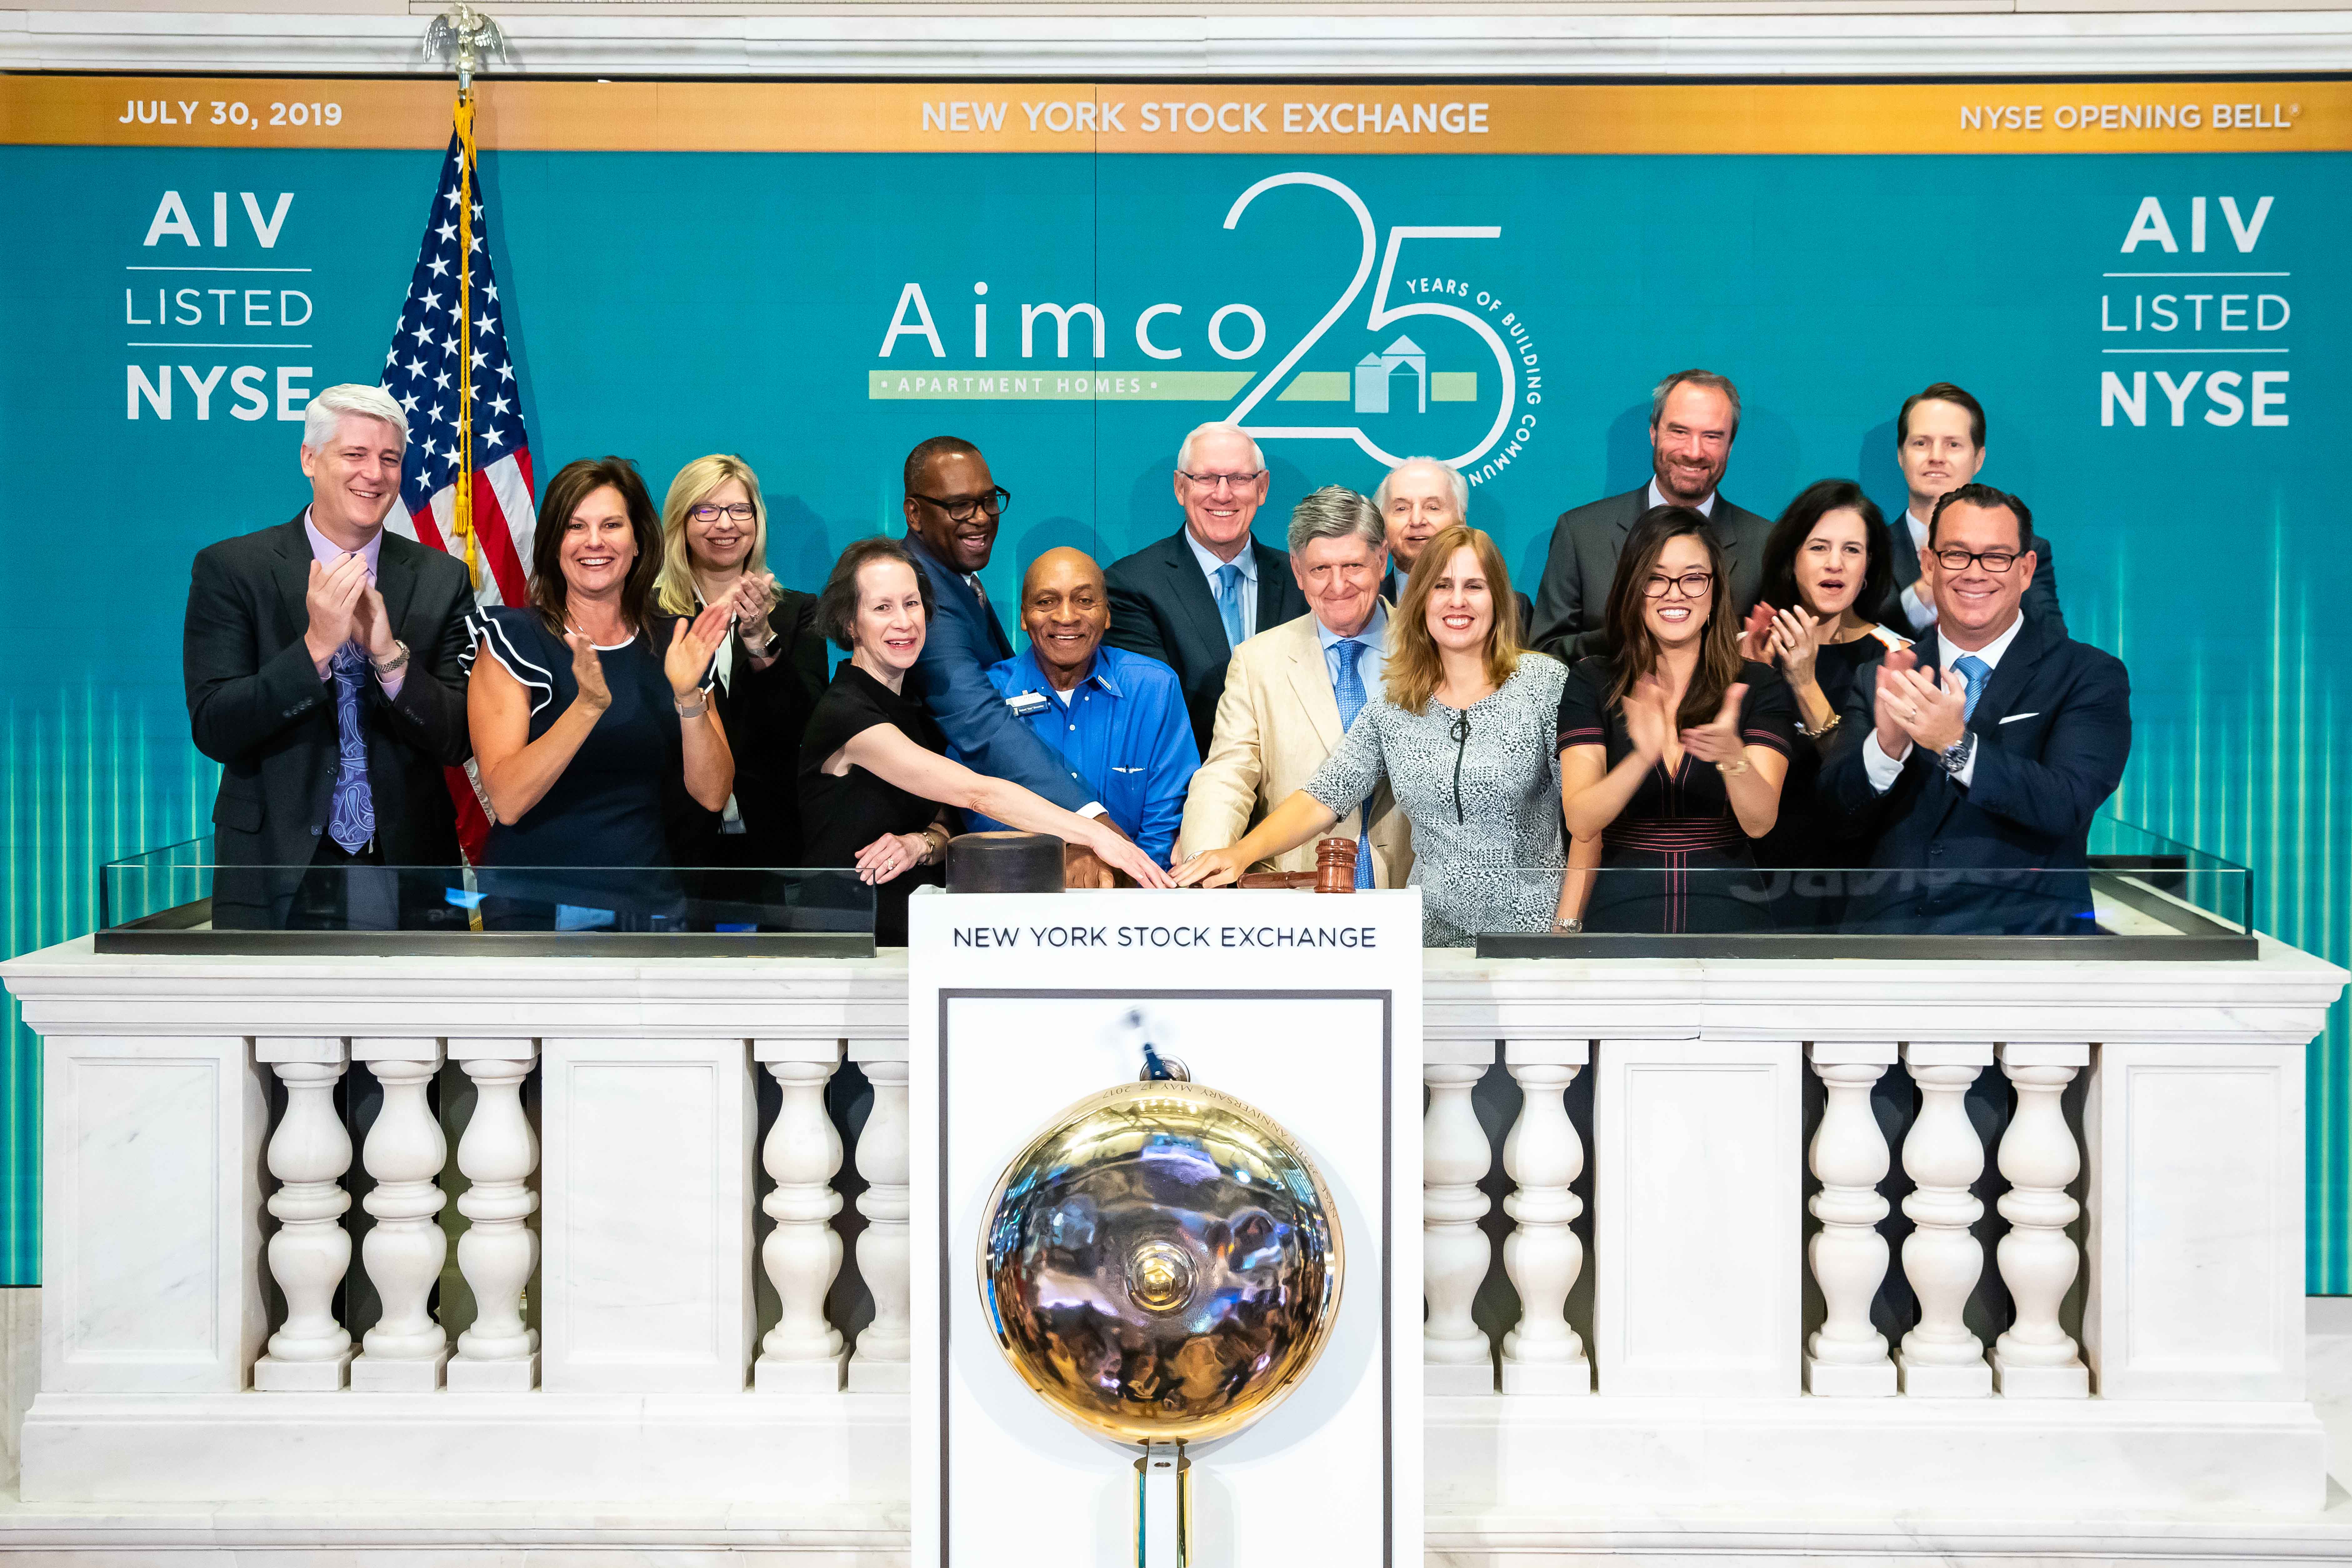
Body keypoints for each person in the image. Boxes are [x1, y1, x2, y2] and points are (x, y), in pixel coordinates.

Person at [1177, 525, 1568, 948]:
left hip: (1534, 936)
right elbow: (1323, 796)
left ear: (1497, 599)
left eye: (1473, 586)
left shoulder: (1543, 684)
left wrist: (1566, 929)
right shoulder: (1396, 701)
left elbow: (1584, 822)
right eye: (1441, 586)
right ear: (1421, 601)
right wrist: (1240, 854)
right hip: (1430, 941)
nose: (1457, 601)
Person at [183, 383, 474, 930]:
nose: (375, 474)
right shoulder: (233, 570)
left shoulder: (440, 578)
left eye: (390, 459)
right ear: (310, 459)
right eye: (355, 454)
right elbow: (216, 727)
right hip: (274, 864)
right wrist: (316, 648)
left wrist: (389, 657)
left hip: (405, 864)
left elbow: (458, 737)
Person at [800, 538, 1172, 944]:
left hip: (910, 932)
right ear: (849, 622)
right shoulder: (848, 713)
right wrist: (1097, 833)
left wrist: (920, 843)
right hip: (843, 937)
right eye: (882, 607)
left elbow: (946, 824)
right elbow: (977, 795)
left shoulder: (915, 706)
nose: (904, 621)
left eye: (911, 603)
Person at [1822, 483, 2130, 934]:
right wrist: (1886, 748)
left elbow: (2067, 802)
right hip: (1889, 951)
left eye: (1996, 557)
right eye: (1956, 554)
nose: (1974, 573)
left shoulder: (2086, 674)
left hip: (2027, 944)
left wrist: (1955, 745)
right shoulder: (1880, 676)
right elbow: (1835, 818)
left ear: (2026, 570)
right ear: (1929, 563)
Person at [465, 457, 735, 929]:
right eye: (576, 526)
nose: (595, 541)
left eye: (612, 524)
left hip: (646, 902)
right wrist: (587, 707)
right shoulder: (513, 640)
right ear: (553, 545)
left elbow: (712, 795)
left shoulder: (675, 643)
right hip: (536, 907)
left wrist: (689, 696)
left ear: (637, 543)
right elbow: (507, 799)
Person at [895, 435, 1123, 887]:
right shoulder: (918, 590)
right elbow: (979, 723)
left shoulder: (955, 579)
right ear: (914, 514)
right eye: (959, 506)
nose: (980, 517)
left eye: (987, 500)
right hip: (914, 854)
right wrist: (1089, 821)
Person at [1557, 508, 1794, 934]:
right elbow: (1581, 820)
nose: (1674, 593)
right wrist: (1640, 758)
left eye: (1692, 578)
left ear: (1714, 591)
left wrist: (1731, 756)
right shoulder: (1591, 679)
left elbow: (1760, 823)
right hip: (1621, 914)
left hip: (1730, 914)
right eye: (1656, 577)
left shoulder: (1756, 684)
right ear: (1634, 587)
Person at [1178, 486, 1415, 889]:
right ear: (1298, 571)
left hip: (1416, 897)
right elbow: (1227, 775)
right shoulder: (1257, 662)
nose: (1338, 586)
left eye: (1353, 566)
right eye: (1320, 569)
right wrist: (1204, 861)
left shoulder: (1429, 653)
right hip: (1297, 899)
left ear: (1381, 561)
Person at [966, 547, 1199, 868]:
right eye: (1046, 601)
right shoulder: (987, 695)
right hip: (1018, 897)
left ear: (1107, 614)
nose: (1066, 617)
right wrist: (1063, 858)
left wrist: (1120, 879)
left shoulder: (1154, 688)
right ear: (1023, 616)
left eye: (1084, 601)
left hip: (1136, 900)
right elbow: (978, 814)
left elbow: (1167, 822)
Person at [648, 454, 828, 870]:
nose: (725, 524)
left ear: (757, 520)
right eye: (706, 510)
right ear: (681, 521)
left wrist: (760, 640)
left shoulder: (796, 611)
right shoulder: (648, 616)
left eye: (739, 510)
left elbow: (804, 726)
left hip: (775, 845)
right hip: (673, 847)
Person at [1529, 369, 1772, 662]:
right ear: (1654, 433)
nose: (1694, 452)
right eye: (1680, 432)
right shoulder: (1582, 533)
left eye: (1712, 436)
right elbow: (1542, 659)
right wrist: (1628, 632)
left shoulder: (1766, 544)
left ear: (1730, 446)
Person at [1743, 480, 1911, 893]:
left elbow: (1859, 789)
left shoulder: (1897, 656)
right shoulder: (1745, 650)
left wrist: (1803, 682)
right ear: (1792, 559)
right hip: (1751, 878)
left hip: (1858, 881)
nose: (1835, 563)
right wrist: (1746, 680)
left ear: (1869, 566)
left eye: (1851, 550)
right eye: (1819, 547)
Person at [1104, 422, 1309, 756]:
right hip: (1188, 794)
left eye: (1239, 478)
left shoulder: (1303, 579)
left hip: (1299, 795)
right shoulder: (1130, 585)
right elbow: (1154, 716)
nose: (1223, 494)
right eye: (1206, 478)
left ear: (1262, 488)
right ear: (1180, 487)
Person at [1879, 382, 2063, 639]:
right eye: (1921, 443)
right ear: (1901, 456)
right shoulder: (1866, 549)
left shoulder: (2024, 549)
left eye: (1953, 445)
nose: (1936, 457)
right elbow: (1855, 643)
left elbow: (2051, 644)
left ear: (1979, 459)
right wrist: (1922, 595)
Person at [1376, 455, 1532, 629]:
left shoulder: (1511, 608)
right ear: (1383, 523)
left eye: (1433, 507)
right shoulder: (1363, 606)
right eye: (1402, 508)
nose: (1417, 520)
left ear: (1461, 521)